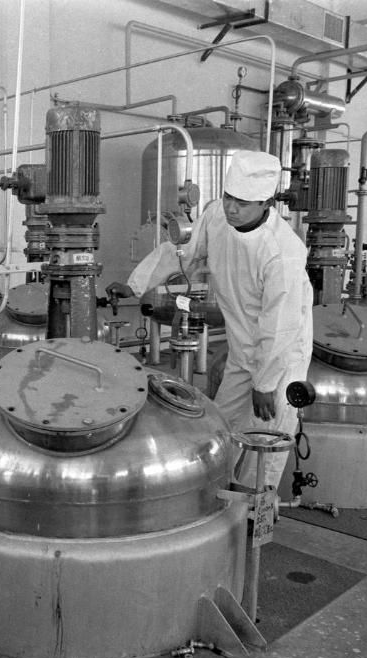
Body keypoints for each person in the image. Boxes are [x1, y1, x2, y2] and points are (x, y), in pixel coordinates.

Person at [107, 150, 312, 489]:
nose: (231, 208)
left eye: (242, 203)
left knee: (268, 435)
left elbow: (280, 325)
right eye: (228, 197)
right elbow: (182, 253)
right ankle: (216, 495)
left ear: (266, 203)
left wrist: (265, 384)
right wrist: (135, 285)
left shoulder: (281, 251)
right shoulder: (217, 216)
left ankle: (256, 505)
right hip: (242, 346)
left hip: (281, 357)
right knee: (221, 424)